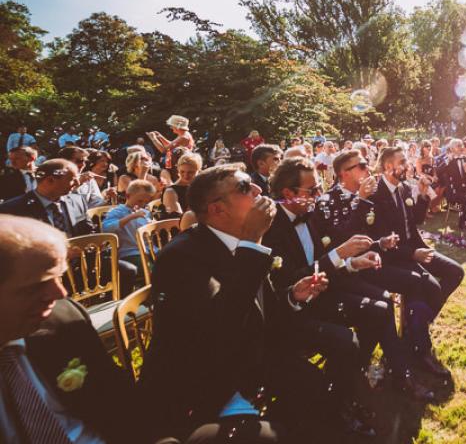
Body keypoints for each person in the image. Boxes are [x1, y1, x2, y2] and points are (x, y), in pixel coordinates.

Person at [138, 165, 337, 442]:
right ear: (218, 209)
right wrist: (253, 243)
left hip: (251, 354)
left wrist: (292, 296)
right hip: (205, 379)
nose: (258, 189)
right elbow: (220, 327)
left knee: (316, 386)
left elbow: (258, 311)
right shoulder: (182, 257)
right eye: (245, 187)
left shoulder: (241, 243)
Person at [264, 157, 433, 409]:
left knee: (383, 305)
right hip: (297, 306)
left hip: (329, 286)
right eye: (311, 190)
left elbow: (326, 258)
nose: (318, 194)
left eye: (318, 187)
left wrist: (355, 262)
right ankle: (346, 393)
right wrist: (342, 254)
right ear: (288, 193)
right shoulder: (271, 226)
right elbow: (291, 280)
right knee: (360, 324)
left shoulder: (307, 214)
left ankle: (389, 373)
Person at [0, 215, 135, 444]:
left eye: (58, 277)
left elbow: (118, 399)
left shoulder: (63, 319)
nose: (59, 294)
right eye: (36, 285)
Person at [367, 147, 464, 377]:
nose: (408, 165)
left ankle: (417, 326)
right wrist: (412, 255)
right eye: (402, 162)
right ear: (388, 166)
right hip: (394, 257)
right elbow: (382, 241)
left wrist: (421, 195)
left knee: (455, 272)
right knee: (428, 286)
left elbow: (417, 220)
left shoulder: (403, 188)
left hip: (416, 247)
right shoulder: (375, 195)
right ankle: (420, 347)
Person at [102, 179, 156, 293]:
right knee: (151, 270)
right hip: (130, 252)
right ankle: (148, 296)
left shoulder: (145, 212)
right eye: (139, 201)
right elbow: (106, 228)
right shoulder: (117, 212)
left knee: (169, 262)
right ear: (128, 195)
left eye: (145, 202)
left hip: (148, 250)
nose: (142, 205)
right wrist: (131, 217)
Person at [438, 138, 466, 231]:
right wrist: (447, 161)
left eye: (462, 145)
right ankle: (463, 224)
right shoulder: (448, 160)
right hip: (453, 191)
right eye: (458, 146)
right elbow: (438, 171)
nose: (461, 147)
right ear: (452, 149)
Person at [161, 153, 202, 219]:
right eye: (182, 172)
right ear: (178, 170)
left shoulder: (201, 187)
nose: (186, 175)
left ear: (198, 171)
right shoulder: (171, 191)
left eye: (190, 172)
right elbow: (176, 219)